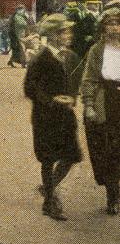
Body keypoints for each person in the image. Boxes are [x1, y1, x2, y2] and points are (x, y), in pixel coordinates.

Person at [24, 13, 82, 220]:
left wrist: (72, 97)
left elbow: (75, 82)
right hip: (45, 117)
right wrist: (52, 100)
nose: (68, 35)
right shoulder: (41, 58)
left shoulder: (71, 56)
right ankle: (49, 202)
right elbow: (29, 88)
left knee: (71, 156)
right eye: (64, 31)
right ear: (53, 35)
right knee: (48, 160)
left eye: (68, 31)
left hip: (65, 117)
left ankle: (48, 188)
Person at [81, 6, 120, 215]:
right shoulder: (97, 50)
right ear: (103, 27)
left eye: (117, 23)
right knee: (108, 152)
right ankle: (113, 196)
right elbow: (88, 79)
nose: (114, 28)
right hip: (106, 103)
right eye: (110, 24)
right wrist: (88, 104)